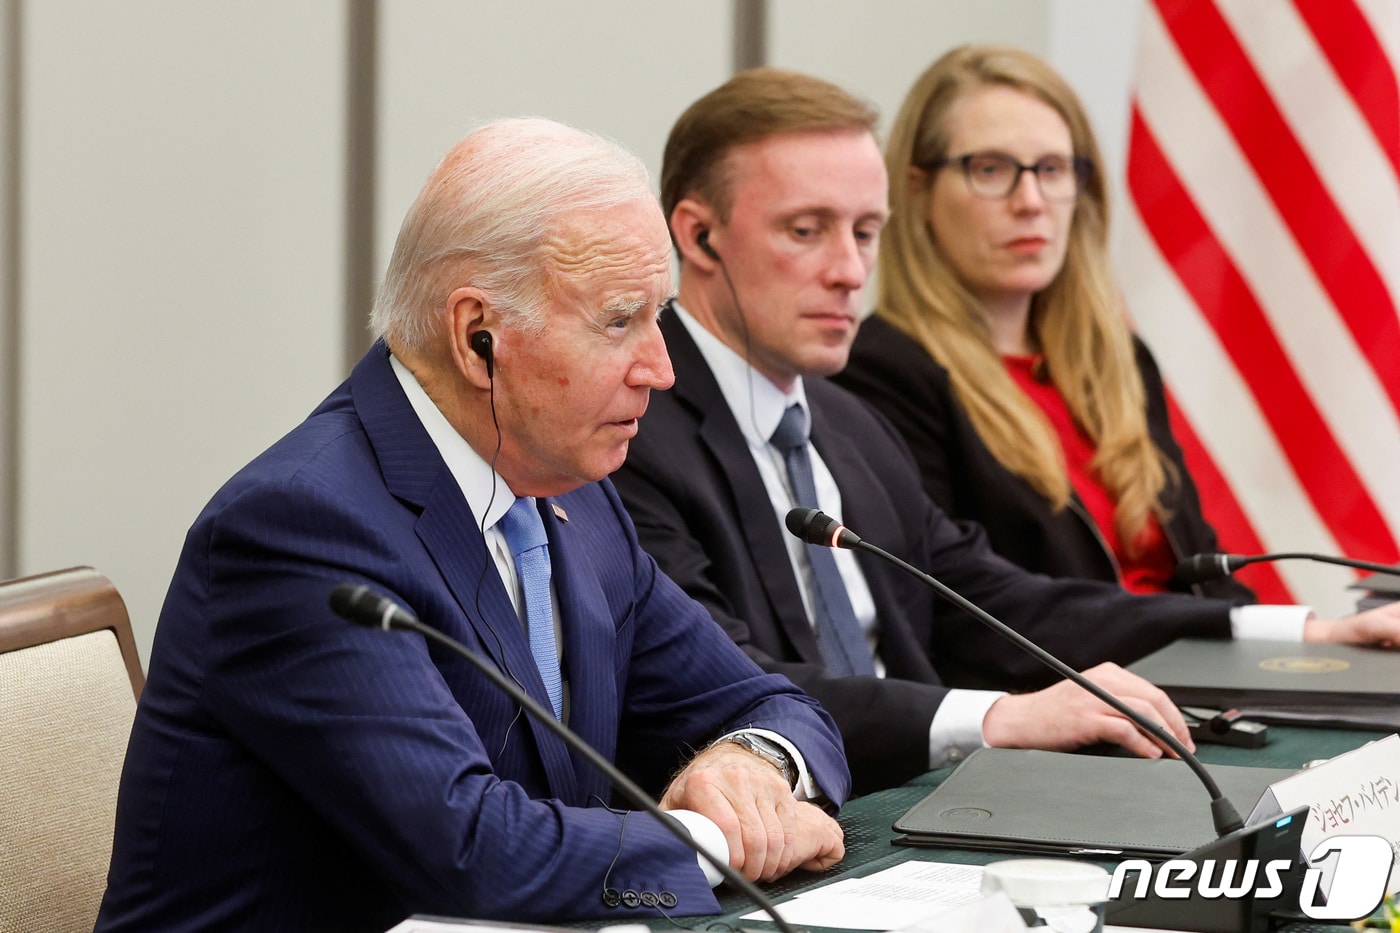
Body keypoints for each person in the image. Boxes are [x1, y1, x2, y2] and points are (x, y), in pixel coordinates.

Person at [95, 118, 849, 933]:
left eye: (659, 316)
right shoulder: (300, 529)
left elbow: (774, 701)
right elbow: (468, 849)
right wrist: (716, 840)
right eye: (620, 320)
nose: (660, 369)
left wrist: (752, 762)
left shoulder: (576, 496)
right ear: (475, 337)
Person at [611, 67, 1400, 796]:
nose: (851, 270)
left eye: (864, 231)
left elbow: (993, 599)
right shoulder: (633, 425)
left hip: (928, 797)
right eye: (807, 230)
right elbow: (722, 678)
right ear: (699, 235)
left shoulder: (845, 419)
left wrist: (1302, 628)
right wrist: (992, 719)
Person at [835, 44, 1250, 602]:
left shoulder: (1120, 361)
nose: (1030, 201)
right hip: (1064, 682)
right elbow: (970, 607)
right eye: (990, 169)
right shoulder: (883, 373)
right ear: (917, 191)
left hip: (1190, 676)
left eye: (1051, 169)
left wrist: (1298, 643)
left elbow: (1204, 570)